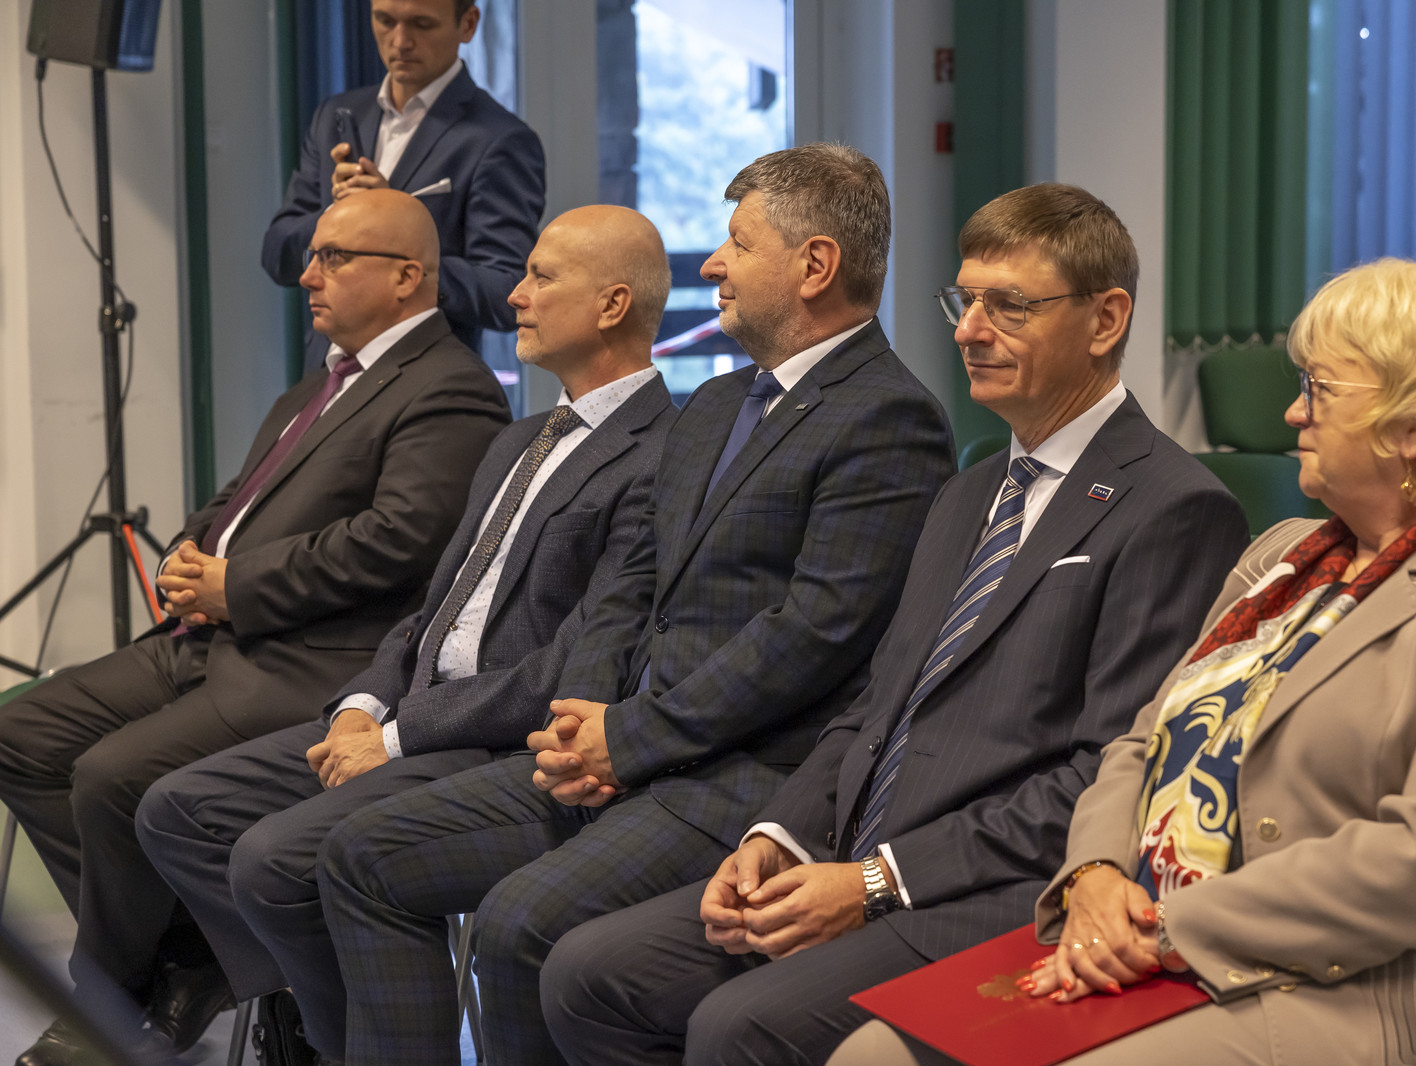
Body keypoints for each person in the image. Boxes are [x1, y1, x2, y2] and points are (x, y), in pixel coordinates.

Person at [538, 182, 1249, 1066]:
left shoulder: (1173, 507)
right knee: (589, 972)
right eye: (964, 301)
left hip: (992, 888)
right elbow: (874, 708)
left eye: (1009, 306)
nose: (969, 331)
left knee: (738, 1025)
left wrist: (877, 882)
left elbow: (1106, 774)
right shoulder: (969, 492)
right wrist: (777, 837)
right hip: (856, 854)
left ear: (1105, 320)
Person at [829, 255, 1416, 1066]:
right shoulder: (1281, 556)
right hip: (1139, 938)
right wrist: (1094, 876)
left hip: (1324, 986)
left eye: (1321, 389)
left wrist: (1162, 929)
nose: (1293, 412)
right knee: (874, 1052)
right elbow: (1137, 742)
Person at [311, 142, 955, 1065]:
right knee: (359, 854)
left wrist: (631, 738)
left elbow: (809, 637)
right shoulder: (715, 404)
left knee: (516, 927)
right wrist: (583, 715)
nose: (713, 264)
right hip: (623, 747)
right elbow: (628, 587)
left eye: (739, 244)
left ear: (815, 265)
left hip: (740, 773)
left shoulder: (889, 416)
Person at [134, 205, 678, 1061]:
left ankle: (354, 1045)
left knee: (277, 858)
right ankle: (326, 1029)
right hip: (408, 714)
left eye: (540, 277)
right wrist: (362, 705)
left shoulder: (663, 453)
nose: (513, 294)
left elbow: (573, 664)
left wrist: (394, 738)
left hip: (499, 740)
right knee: (179, 810)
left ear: (612, 306)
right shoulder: (519, 438)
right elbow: (431, 610)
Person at [0, 189, 511, 1066]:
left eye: (334, 257)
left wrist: (235, 584)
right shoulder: (320, 384)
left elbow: (401, 542)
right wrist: (188, 554)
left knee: (109, 777)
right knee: (22, 733)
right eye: (312, 256)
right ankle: (189, 956)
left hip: (310, 658)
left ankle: (110, 1008)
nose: (308, 275)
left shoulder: (451, 388)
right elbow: (238, 500)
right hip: (216, 636)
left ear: (405, 277)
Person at [262, 0, 545, 365]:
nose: (400, 41)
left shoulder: (499, 139)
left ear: (468, 24)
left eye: (421, 24)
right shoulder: (334, 116)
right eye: (385, 20)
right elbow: (277, 256)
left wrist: (393, 228)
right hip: (325, 372)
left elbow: (507, 294)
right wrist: (338, 214)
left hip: (425, 379)